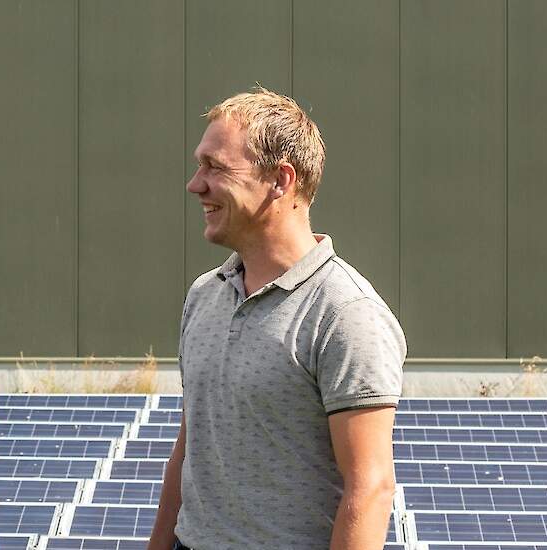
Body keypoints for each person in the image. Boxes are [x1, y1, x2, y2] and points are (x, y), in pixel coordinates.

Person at [148, 88, 406, 549]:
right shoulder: (204, 295)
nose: (195, 184)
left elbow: (370, 489)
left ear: (280, 180)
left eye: (215, 167)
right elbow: (189, 450)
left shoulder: (346, 313)